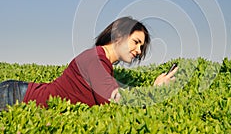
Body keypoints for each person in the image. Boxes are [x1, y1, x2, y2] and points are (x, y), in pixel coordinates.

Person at [0, 16, 178, 111]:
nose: (139, 51)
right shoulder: (96, 60)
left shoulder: (102, 62)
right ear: (118, 36)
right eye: (136, 42)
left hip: (19, 94)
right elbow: (115, 103)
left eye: (141, 46)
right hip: (17, 97)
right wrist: (155, 91)